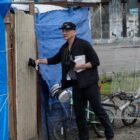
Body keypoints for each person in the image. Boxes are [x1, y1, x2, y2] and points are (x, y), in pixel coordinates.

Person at [35, 22, 114, 140]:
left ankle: (110, 136)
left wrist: (80, 66)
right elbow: (54, 59)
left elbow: (95, 62)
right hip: (76, 85)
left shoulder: (84, 45)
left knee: (99, 111)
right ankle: (84, 138)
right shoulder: (65, 48)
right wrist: (39, 61)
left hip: (90, 84)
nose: (64, 32)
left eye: (67, 30)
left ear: (74, 31)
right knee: (79, 116)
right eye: (63, 30)